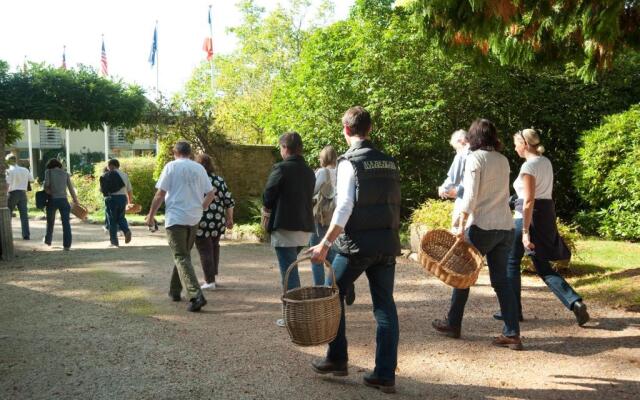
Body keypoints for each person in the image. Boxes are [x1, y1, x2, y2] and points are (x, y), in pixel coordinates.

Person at [308, 106, 401, 394]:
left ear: (346, 130)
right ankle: (384, 375)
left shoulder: (349, 163)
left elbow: (345, 206)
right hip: (386, 244)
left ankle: (337, 357)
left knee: (330, 292)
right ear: (369, 130)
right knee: (384, 306)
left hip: (357, 244)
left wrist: (325, 242)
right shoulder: (389, 162)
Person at [431, 118, 523, 350]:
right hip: (505, 226)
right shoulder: (503, 160)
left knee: (462, 276)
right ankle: (512, 332)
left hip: (481, 226)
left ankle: (453, 324)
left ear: (474, 137)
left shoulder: (474, 159)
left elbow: (470, 196)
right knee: (502, 282)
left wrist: (460, 225)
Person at [496, 128, 589, 326]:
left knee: (511, 262)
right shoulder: (545, 162)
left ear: (525, 144)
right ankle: (575, 302)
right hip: (545, 215)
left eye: (516, 144)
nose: (514, 148)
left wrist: (525, 232)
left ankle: (512, 311)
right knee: (542, 266)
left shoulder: (528, 167)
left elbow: (529, 200)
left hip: (527, 218)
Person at [146, 141, 216, 312]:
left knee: (181, 256)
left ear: (174, 152)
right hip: (194, 217)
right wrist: (203, 206)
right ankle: (175, 291)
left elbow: (160, 194)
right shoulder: (199, 168)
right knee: (183, 255)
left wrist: (150, 215)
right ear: (190, 152)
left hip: (176, 218)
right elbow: (211, 192)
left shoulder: (171, 166)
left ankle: (196, 295)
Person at [262, 132, 315, 327]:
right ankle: (295, 313)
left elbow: (268, 194)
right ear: (300, 148)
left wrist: (267, 207)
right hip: (304, 228)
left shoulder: (281, 168)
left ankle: (294, 315)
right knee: (291, 269)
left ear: (285, 148)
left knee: (288, 273)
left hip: (285, 227)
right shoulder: (309, 171)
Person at [194, 153, 235, 290]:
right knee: (214, 247)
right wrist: (230, 218)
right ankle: (213, 277)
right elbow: (229, 202)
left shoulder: (196, 180)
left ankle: (209, 281)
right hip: (218, 220)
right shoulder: (219, 180)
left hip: (201, 220)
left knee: (205, 249)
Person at [43, 158, 79, 250]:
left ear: (50, 165)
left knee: (50, 221)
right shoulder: (65, 174)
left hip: (52, 200)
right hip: (64, 200)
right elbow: (70, 188)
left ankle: (48, 240)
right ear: (59, 165)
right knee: (66, 223)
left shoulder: (48, 172)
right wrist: (75, 200)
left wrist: (49, 191)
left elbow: (46, 185)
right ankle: (67, 245)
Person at [438, 129, 469, 227]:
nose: (456, 151)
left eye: (456, 148)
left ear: (461, 141)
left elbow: (453, 179)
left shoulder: (462, 154)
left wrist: (443, 188)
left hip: (464, 201)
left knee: (457, 230)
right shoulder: (480, 152)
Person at [100, 159, 133, 248]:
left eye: (108, 166)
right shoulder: (124, 175)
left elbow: (103, 190)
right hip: (123, 198)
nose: (107, 167)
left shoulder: (106, 175)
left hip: (112, 199)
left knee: (112, 220)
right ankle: (126, 231)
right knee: (121, 217)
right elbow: (129, 190)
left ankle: (114, 242)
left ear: (111, 166)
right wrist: (130, 202)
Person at [5, 154, 33, 240]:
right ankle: (26, 235)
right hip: (22, 193)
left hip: (12, 193)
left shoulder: (8, 171)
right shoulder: (24, 169)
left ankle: (7, 235)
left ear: (8, 161)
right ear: (16, 160)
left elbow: (7, 184)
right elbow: (31, 180)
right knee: (24, 215)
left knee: (8, 215)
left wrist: (5, 194)